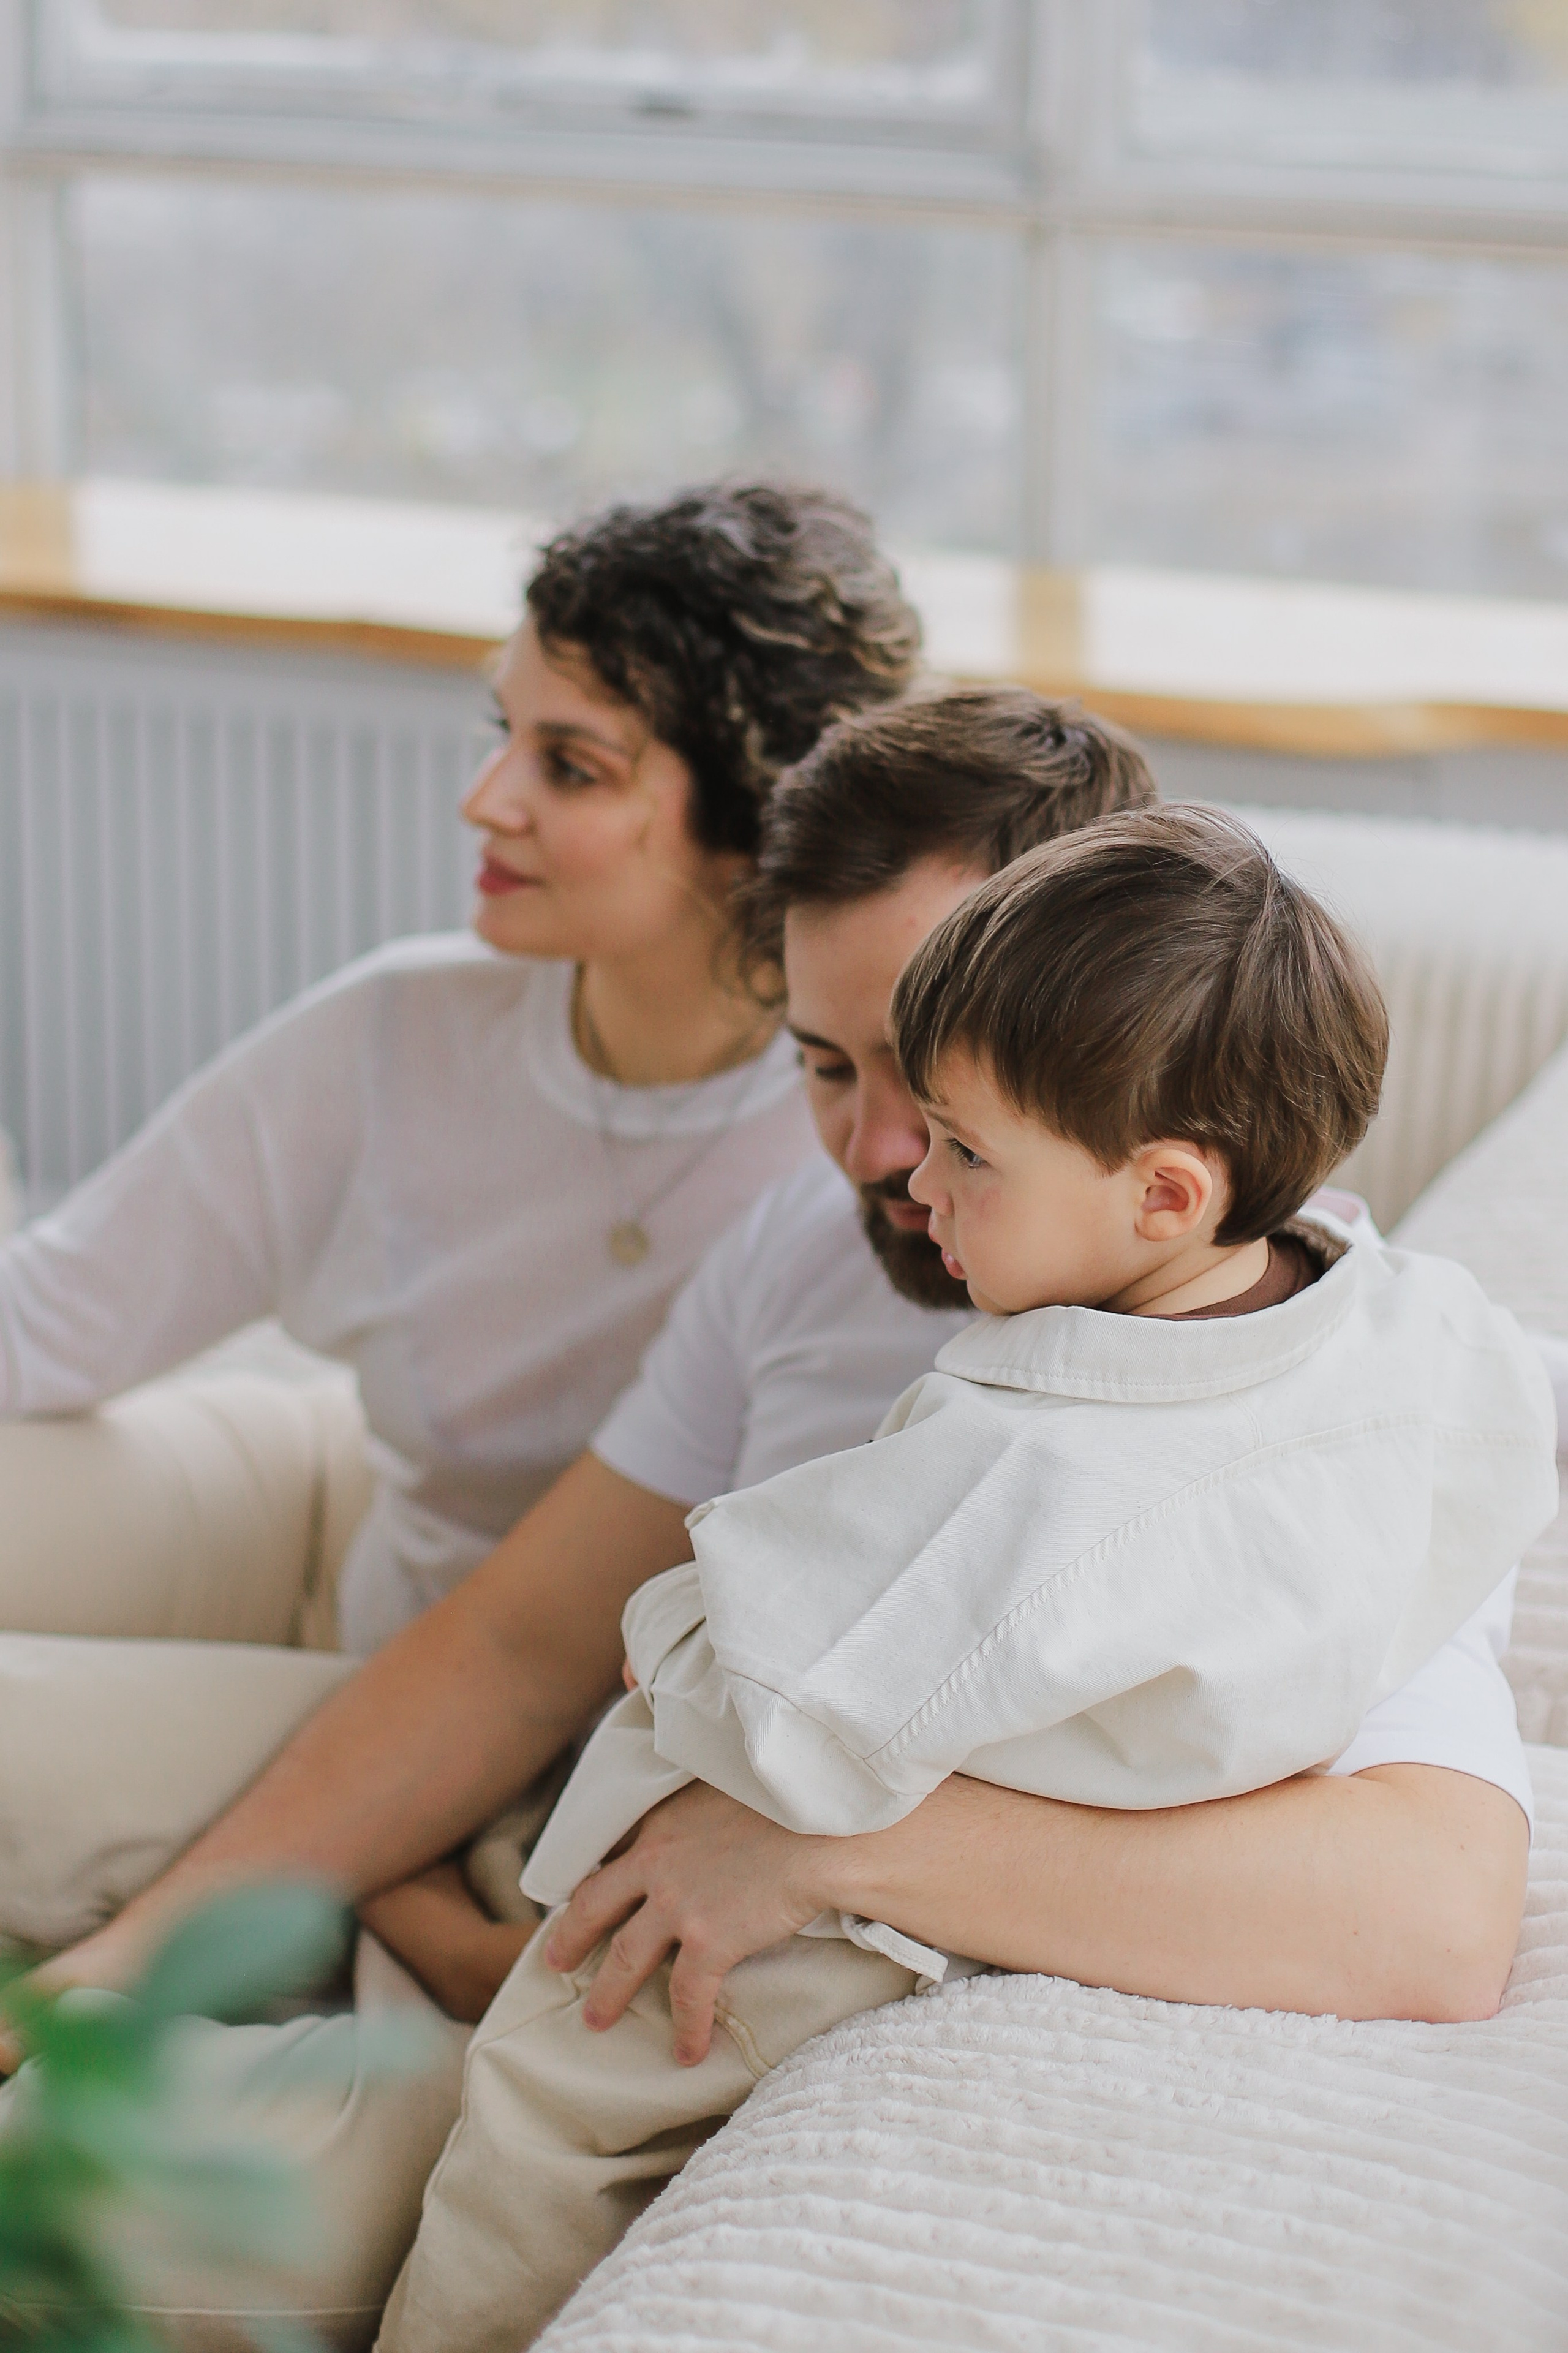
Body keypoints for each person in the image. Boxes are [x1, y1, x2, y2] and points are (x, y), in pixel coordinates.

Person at [0, 694, 1538, 2349]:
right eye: (826, 1064)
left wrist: (828, 1848)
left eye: (934, 1093)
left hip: (632, 1971)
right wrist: (148, 1951)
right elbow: (526, 1636)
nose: (883, 1157)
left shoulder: (1284, 1395)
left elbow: (1436, 1916)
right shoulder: (821, 1247)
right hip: (552, 1827)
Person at [373, 807, 1559, 2347]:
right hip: (1049, 1826)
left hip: (818, 1937)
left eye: (963, 1149)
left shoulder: (1030, 1458)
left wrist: (671, 1642)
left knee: (536, 2099)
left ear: (1165, 1195)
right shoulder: (1398, 1313)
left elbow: (777, 1697)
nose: (909, 1181)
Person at [0, 481, 919, 1653]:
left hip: (471, 1710)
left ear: (756, 816)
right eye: (505, 737)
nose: (484, 802)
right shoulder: (397, 1027)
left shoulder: (877, 1146)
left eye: (570, 767)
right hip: (343, 1527)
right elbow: (50, 1312)